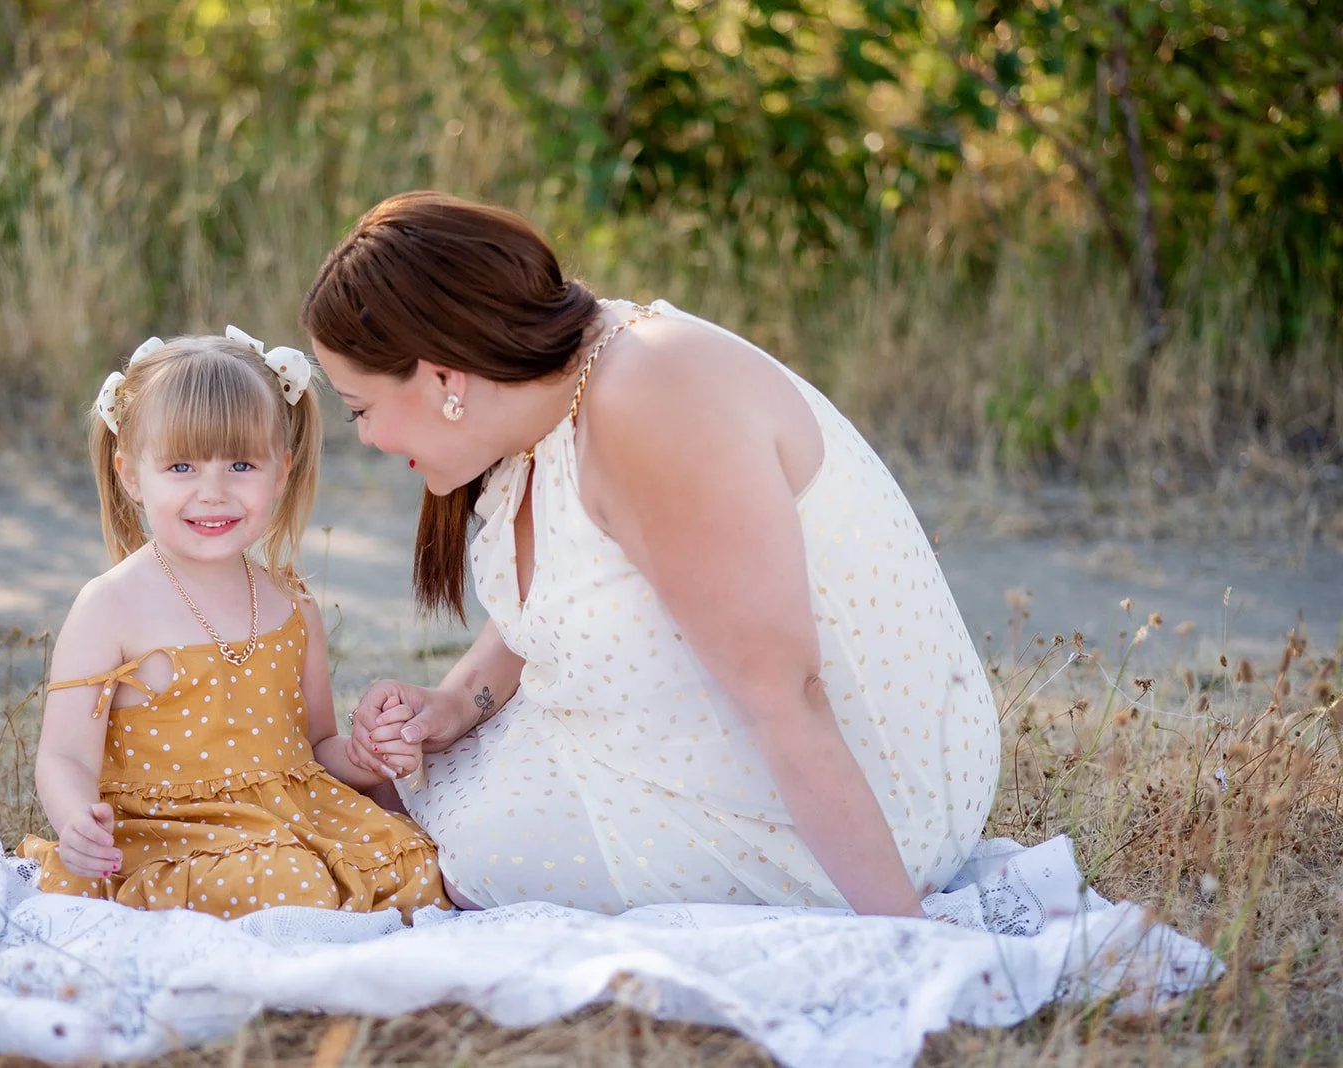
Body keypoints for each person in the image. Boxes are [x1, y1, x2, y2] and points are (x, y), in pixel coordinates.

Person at [302, 191, 1000, 917]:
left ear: (444, 377)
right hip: (741, 740)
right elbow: (563, 593)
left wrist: (905, 935)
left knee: (459, 858)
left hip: (875, 801)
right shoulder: (547, 387)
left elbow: (788, 693)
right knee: (391, 795)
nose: (367, 438)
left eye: (361, 409)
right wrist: (457, 701)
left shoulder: (651, 400)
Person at [16, 327, 450, 920]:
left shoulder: (291, 604)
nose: (213, 493)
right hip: (174, 835)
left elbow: (316, 747)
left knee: (419, 865)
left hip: (290, 822)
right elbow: (64, 756)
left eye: (241, 464)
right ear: (131, 475)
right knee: (291, 884)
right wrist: (75, 821)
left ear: (281, 471)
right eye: (181, 466)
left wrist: (364, 753)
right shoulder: (110, 606)